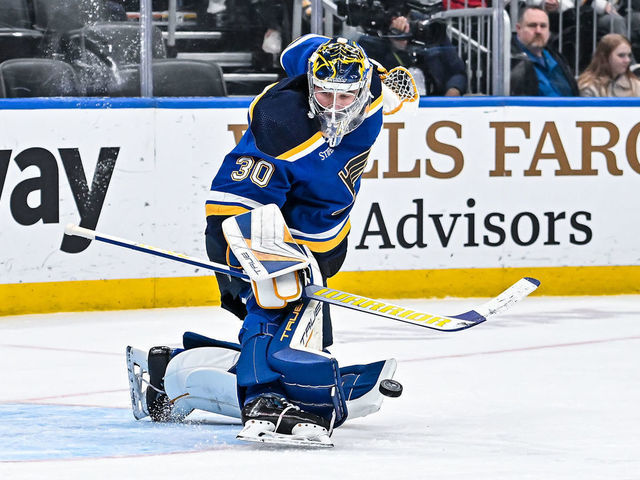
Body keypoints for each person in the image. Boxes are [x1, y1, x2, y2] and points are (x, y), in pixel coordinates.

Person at [134, 35, 404, 446]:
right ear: (310, 88)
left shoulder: (374, 86)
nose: (332, 107)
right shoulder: (282, 126)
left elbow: (302, 48)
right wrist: (259, 259)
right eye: (323, 95)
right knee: (276, 304)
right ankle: (264, 396)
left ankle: (164, 372)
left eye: (344, 97)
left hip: (326, 233)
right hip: (249, 221)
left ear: (364, 87)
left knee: (303, 332)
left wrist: (388, 75)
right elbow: (239, 207)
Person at [358, 14, 467, 96]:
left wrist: (453, 90)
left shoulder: (430, 28)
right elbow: (368, 80)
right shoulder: (374, 32)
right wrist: (396, 46)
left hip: (434, 100)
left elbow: (457, 72)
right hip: (392, 106)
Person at [510, 6, 579, 96]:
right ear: (518, 28)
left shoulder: (556, 57)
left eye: (543, 26)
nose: (538, 31)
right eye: (532, 25)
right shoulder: (511, 60)